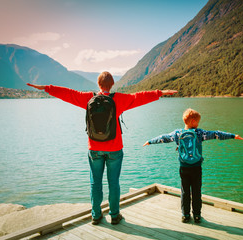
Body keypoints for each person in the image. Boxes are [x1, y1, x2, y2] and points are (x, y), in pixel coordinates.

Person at [27, 71, 177, 225]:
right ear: (112, 85)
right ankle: (114, 215)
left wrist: (46, 87)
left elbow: (68, 94)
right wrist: (160, 93)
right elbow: (139, 97)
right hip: (114, 149)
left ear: (98, 84)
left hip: (94, 149)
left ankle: (96, 215)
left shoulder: (88, 98)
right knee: (113, 183)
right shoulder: (119, 99)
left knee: (95, 183)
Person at [143, 108, 243, 223]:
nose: (198, 124)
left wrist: (150, 141)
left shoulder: (178, 133)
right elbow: (216, 134)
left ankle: (185, 215)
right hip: (196, 168)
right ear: (193, 121)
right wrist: (232, 135)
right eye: (198, 121)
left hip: (184, 168)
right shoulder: (200, 133)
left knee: (185, 192)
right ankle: (196, 215)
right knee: (196, 192)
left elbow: (163, 138)